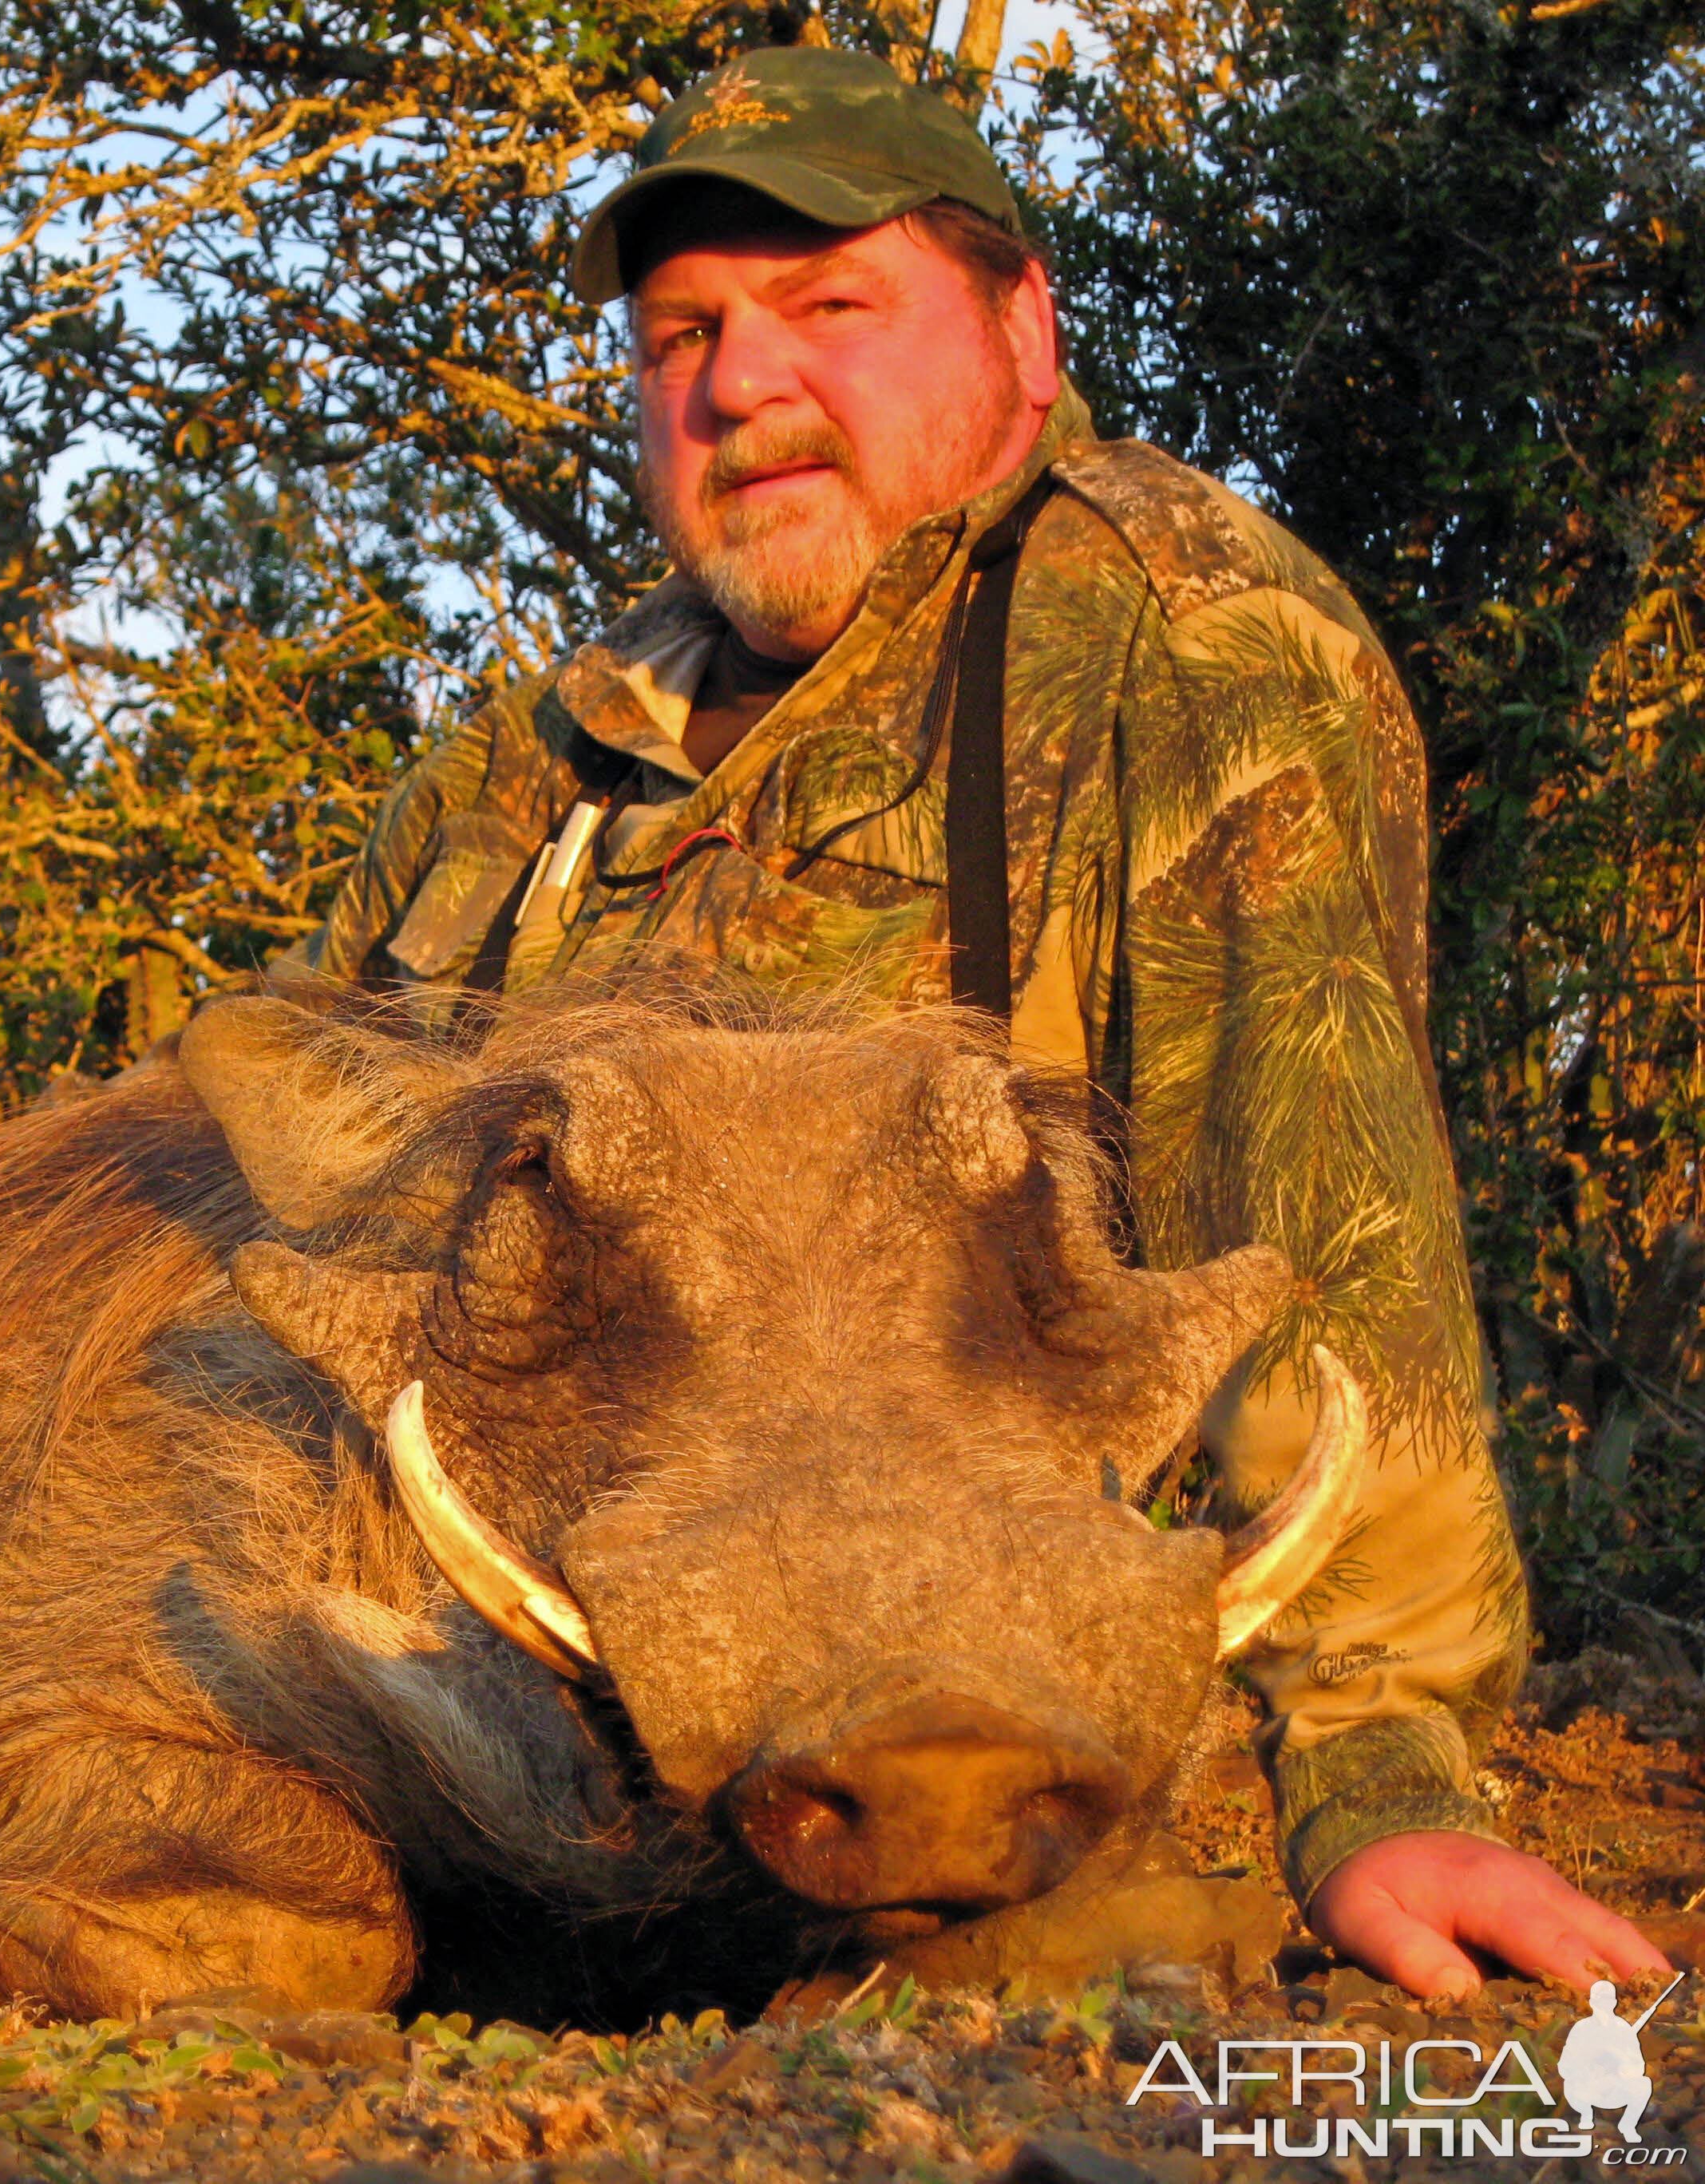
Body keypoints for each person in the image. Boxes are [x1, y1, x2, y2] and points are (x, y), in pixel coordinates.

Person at [292, 43, 1670, 2000]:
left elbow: (1314, 1218)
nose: (740, 382)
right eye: (679, 330)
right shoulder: (524, 771)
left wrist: (1381, 1771)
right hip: (489, 1716)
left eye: (829, 305)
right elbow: (302, 1223)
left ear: (1023, 327)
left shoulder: (1183, 635)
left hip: (935, 1702)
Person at [1557, 1979, 1655, 2142]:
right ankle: (1586, 2117)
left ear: (1614, 2002)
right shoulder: (1582, 2028)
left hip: (1615, 2085)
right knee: (1570, 2085)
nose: (1603, 2003)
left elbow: (1638, 2067)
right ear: (1592, 2002)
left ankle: (1628, 2126)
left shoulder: (1623, 2028)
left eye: (1607, 1999)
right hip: (1587, 2086)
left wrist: (1621, 2062)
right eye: (1599, 1999)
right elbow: (1565, 2065)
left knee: (1644, 2085)